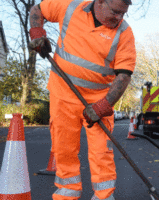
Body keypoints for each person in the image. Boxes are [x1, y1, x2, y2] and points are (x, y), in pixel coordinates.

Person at [28, 0, 136, 199]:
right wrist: (36, 32)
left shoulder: (124, 33)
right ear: (101, 2)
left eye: (123, 13)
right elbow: (38, 9)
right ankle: (68, 192)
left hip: (98, 101)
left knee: (101, 152)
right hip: (63, 94)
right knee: (64, 148)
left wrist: (104, 105)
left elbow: (124, 75)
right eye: (115, 12)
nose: (119, 18)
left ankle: (104, 196)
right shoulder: (71, 7)